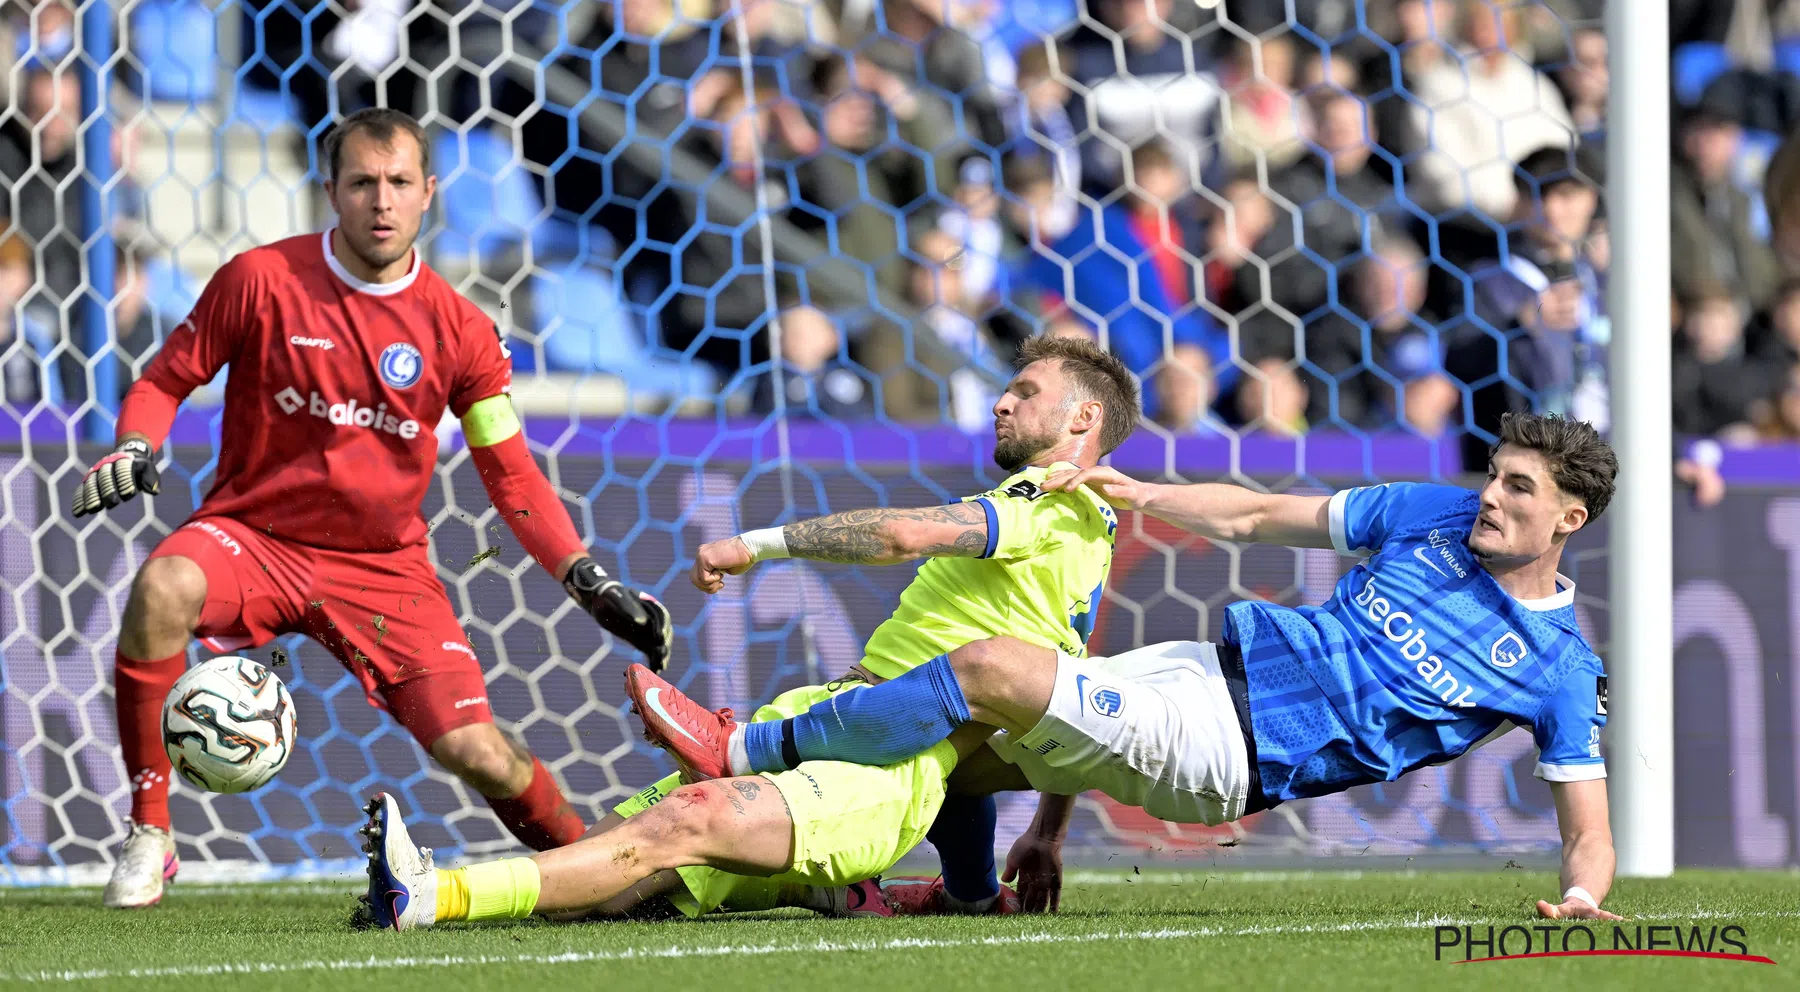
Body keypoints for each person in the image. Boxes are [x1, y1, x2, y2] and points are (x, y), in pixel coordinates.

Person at [598, 412, 1621, 922]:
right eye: (1494, 476)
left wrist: (1581, 903)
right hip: (1205, 669)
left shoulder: (1559, 671)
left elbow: (1589, 837)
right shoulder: (1434, 516)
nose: (1491, 497)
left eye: (1518, 491)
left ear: (1568, 521)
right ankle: (964, 894)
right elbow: (1266, 513)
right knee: (961, 739)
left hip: (1234, 752)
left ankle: (742, 742)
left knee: (993, 668)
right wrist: (1148, 495)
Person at [76, 109, 673, 910]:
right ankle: (150, 830)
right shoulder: (260, 280)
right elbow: (162, 383)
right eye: (362, 183)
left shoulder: (460, 330)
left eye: (398, 184)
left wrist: (589, 581)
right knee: (162, 586)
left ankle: (599, 868)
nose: (380, 202)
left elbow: (514, 478)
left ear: (429, 193)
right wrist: (134, 446)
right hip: (254, 537)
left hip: (382, 567)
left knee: (478, 752)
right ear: (331, 191)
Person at [361, 334, 1141, 929]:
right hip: (834, 713)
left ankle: (426, 894)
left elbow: (904, 533)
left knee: (683, 825)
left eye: (1025, 391)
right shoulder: (1081, 540)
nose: (1002, 402)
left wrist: (752, 545)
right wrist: (1045, 835)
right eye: (1005, 388)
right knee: (615, 866)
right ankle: (815, 883)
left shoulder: (1051, 500)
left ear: (1083, 418)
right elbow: (1066, 693)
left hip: (887, 760)